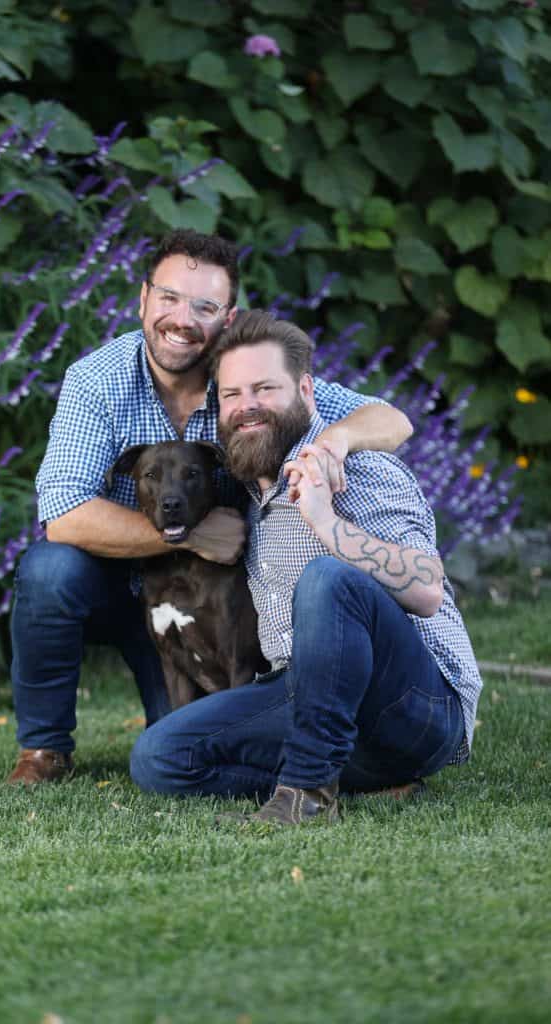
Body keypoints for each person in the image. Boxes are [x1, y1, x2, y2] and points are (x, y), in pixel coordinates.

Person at [7, 231, 413, 785]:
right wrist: (191, 534)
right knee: (48, 570)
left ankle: (329, 760)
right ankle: (44, 751)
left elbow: (393, 421)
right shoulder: (97, 381)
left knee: (175, 745)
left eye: (204, 306)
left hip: (213, 601)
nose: (182, 318)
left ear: (228, 317)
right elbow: (63, 513)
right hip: (125, 585)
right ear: (143, 299)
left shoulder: (244, 382)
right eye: (169, 298)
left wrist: (331, 445)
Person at [130, 309, 482, 826]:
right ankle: (368, 783)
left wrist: (324, 521)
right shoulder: (247, 486)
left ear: (307, 392)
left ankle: (307, 795)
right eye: (232, 395)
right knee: (158, 758)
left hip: (415, 707)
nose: (248, 407)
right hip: (305, 693)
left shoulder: (358, 469)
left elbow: (427, 590)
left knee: (328, 578)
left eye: (265, 388)